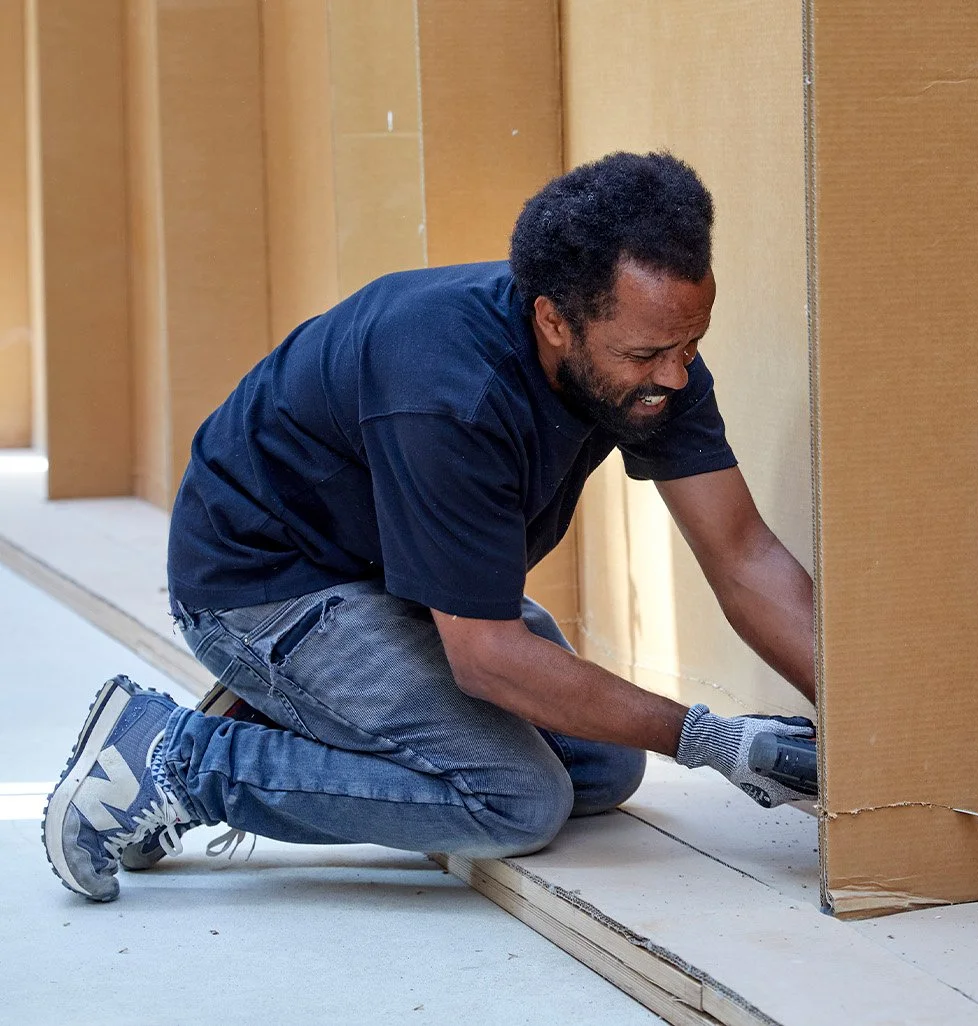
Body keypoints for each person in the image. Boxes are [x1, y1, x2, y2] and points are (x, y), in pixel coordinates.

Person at [43, 152, 817, 903]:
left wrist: (866, 730)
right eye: (649, 353)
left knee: (608, 765)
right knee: (516, 801)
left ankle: (308, 712)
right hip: (265, 585)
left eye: (692, 345)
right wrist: (713, 740)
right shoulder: (450, 389)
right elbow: (486, 657)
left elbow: (743, 555)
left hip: (391, 573)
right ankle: (178, 758)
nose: (676, 377)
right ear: (553, 319)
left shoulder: (651, 361)